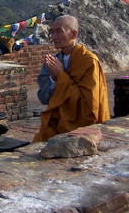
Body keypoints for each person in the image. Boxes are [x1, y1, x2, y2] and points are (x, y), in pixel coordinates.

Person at [32, 15, 110, 143]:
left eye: (59, 31)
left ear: (73, 34)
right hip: (57, 124)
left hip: (82, 128)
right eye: (52, 32)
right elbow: (44, 99)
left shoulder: (88, 62)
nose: (53, 37)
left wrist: (61, 76)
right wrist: (53, 78)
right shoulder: (53, 62)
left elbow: (89, 106)